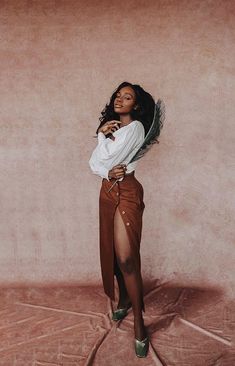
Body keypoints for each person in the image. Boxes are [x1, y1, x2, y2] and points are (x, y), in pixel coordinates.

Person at [88, 81, 155, 358]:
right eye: (118, 95)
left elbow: (111, 159)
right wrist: (101, 136)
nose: (120, 100)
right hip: (107, 190)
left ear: (135, 105)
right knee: (113, 253)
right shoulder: (110, 130)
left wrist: (103, 150)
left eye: (127, 97)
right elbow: (95, 164)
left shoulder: (135, 128)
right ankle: (124, 298)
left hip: (126, 191)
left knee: (127, 258)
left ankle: (140, 323)